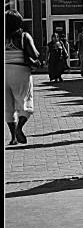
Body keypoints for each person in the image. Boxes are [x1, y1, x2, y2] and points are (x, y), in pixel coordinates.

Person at [4, 11, 41, 145]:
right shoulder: (23, 36)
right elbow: (34, 54)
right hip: (20, 71)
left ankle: (13, 137)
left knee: (8, 107)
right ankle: (19, 127)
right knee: (25, 103)